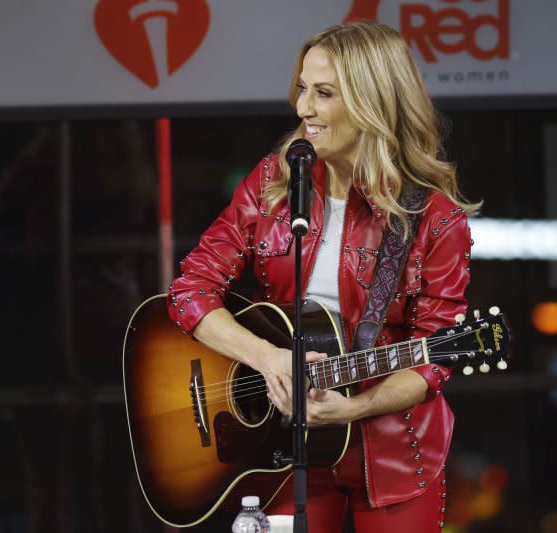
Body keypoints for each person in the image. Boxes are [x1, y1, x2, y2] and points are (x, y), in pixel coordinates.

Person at [167, 20, 478, 533]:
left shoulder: (435, 217)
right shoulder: (272, 181)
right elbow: (189, 293)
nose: (303, 109)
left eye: (324, 93)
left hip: (396, 454)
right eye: (303, 89)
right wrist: (269, 360)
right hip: (279, 445)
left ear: (372, 101)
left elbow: (435, 357)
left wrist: (354, 407)